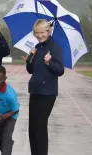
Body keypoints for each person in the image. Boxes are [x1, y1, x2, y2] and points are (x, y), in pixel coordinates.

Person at [26, 19, 64, 155]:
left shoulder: (55, 47)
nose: (39, 35)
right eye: (36, 33)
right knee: (32, 128)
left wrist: (49, 63)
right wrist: (29, 57)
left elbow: (60, 70)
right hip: (35, 91)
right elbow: (30, 70)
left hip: (47, 93)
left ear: (48, 31)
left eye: (42, 32)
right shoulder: (38, 47)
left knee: (40, 127)